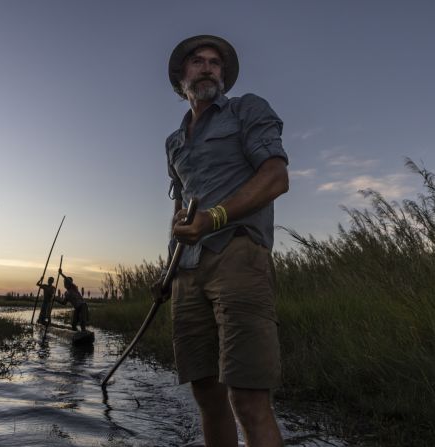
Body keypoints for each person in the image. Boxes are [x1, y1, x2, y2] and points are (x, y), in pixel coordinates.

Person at [158, 35, 289, 447]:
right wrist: (167, 270)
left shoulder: (247, 110)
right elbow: (180, 207)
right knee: (207, 395)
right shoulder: (174, 142)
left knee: (248, 398)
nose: (208, 67)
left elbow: (275, 177)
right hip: (187, 270)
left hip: (237, 257)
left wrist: (214, 217)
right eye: (197, 61)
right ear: (182, 78)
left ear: (224, 76)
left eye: (216, 63)